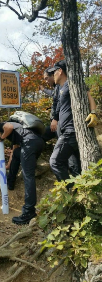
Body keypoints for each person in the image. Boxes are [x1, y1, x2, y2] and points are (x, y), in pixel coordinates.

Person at [48, 60, 97, 189]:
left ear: (60, 71)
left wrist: (93, 112)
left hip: (71, 131)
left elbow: (89, 96)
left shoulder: (72, 84)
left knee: (55, 161)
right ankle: (79, 192)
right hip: (65, 131)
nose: (53, 75)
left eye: (54, 72)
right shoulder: (60, 88)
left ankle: (70, 191)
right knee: (75, 166)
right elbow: (57, 106)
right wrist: (55, 118)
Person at [0, 121, 45, 225]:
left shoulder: (2, 125)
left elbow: (9, 126)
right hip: (38, 142)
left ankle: (28, 212)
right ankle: (11, 182)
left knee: (28, 176)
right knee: (17, 154)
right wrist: (8, 165)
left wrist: (1, 138)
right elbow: (15, 151)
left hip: (29, 143)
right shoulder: (16, 133)